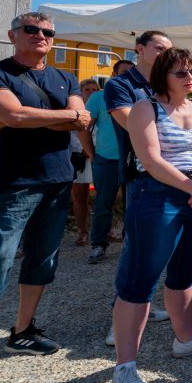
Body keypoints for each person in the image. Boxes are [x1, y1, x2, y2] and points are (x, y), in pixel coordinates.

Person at [0, 12, 89, 383]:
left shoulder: (65, 76)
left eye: (47, 31)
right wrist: (49, 117)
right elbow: (11, 115)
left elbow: (81, 120)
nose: (40, 36)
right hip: (16, 182)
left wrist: (24, 116)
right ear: (12, 35)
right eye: (31, 30)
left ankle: (22, 331)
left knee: (43, 259)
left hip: (58, 179)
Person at [110, 48, 192, 383]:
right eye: (180, 73)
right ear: (163, 75)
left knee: (184, 273)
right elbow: (150, 158)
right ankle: (125, 367)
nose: (189, 78)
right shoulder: (146, 108)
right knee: (139, 280)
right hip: (157, 195)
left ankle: (186, 341)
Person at [99, 30, 173, 263]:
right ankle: (129, 297)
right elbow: (133, 125)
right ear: (140, 49)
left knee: (167, 242)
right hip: (140, 174)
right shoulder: (120, 85)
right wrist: (175, 127)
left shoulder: (170, 83)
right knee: (138, 245)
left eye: (168, 51)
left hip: (172, 169)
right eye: (160, 48)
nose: (165, 54)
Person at [83, 60, 133, 253]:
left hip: (132, 159)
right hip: (106, 160)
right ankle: (98, 244)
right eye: (123, 73)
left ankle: (130, 242)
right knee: (104, 203)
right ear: (113, 75)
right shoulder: (98, 97)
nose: (128, 77)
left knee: (133, 203)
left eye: (132, 73)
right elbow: (83, 128)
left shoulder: (139, 96)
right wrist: (91, 154)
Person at [71, 78, 101, 246]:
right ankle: (82, 231)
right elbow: (71, 133)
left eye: (94, 89)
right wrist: (84, 149)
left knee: (104, 195)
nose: (91, 92)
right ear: (81, 93)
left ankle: (105, 230)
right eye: (88, 89)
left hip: (100, 155)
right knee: (79, 194)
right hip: (80, 155)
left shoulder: (104, 107)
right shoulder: (75, 110)